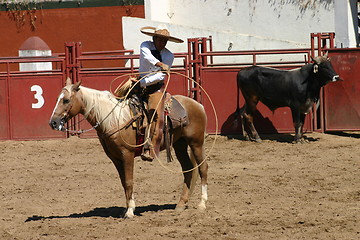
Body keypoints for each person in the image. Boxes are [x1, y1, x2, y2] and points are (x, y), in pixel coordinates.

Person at [137, 24, 184, 161]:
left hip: (154, 87)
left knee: (155, 114)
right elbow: (147, 58)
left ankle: (149, 147)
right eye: (160, 39)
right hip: (139, 82)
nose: (162, 43)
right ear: (154, 38)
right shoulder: (145, 45)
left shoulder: (169, 55)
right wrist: (160, 64)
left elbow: (161, 76)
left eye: (165, 41)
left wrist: (142, 83)